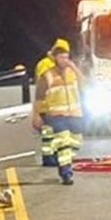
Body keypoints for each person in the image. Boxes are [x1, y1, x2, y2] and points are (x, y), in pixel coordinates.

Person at [32, 40, 83, 185]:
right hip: (56, 115)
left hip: (75, 114)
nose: (65, 61)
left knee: (75, 143)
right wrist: (37, 115)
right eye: (61, 57)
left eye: (67, 57)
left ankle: (63, 163)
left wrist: (75, 68)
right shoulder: (48, 73)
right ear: (55, 58)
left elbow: (85, 84)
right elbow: (39, 95)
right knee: (64, 142)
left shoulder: (72, 72)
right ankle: (66, 173)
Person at [33, 38, 71, 167]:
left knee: (53, 133)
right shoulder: (45, 64)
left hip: (55, 105)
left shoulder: (53, 64)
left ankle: (52, 156)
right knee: (48, 134)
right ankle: (49, 158)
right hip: (47, 105)